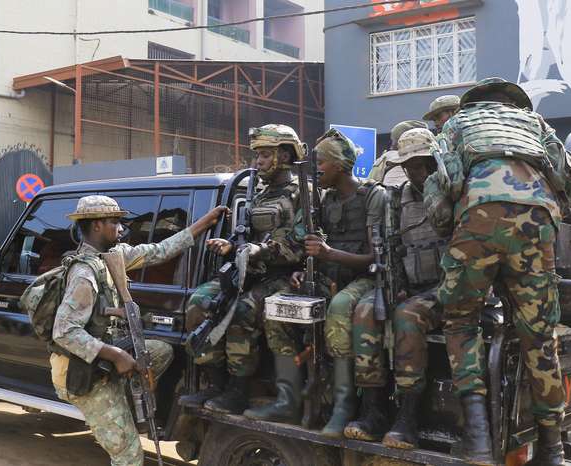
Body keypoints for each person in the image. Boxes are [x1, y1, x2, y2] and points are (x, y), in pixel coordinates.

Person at [433, 77, 571, 465]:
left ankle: (479, 442)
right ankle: (552, 450)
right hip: (537, 222)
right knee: (539, 335)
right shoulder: (535, 123)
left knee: (461, 322)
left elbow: (444, 184)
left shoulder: (457, 124)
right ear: (512, 102)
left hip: (478, 219)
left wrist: (450, 229)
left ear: (473, 103)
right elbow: (570, 178)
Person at [51, 195, 225, 466]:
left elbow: (159, 251)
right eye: (115, 222)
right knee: (129, 455)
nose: (121, 229)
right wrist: (117, 356)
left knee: (160, 351)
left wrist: (201, 225)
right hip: (82, 373)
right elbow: (64, 332)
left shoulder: (114, 256)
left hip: (103, 360)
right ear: (96, 226)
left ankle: (121, 404)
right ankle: (115, 414)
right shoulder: (84, 274)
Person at [245, 128, 385, 436]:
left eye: (320, 162)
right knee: (278, 308)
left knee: (337, 311)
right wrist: (304, 269)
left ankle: (344, 405)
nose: (314, 169)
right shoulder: (325, 199)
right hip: (329, 276)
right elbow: (315, 246)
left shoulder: (374, 196)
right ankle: (287, 399)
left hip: (364, 280)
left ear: (340, 165)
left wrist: (328, 253)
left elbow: (376, 259)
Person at [179, 124, 307, 415]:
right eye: (257, 155)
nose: (258, 161)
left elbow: (300, 246)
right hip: (249, 270)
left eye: (265, 155)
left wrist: (258, 251)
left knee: (244, 309)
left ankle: (238, 390)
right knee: (200, 302)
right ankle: (215, 384)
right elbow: (247, 238)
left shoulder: (303, 195)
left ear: (285, 155)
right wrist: (229, 245)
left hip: (284, 276)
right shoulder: (258, 194)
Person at [347, 128, 449, 448]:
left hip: (447, 289)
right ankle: (373, 408)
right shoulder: (396, 198)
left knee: (407, 316)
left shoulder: (453, 195)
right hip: (412, 286)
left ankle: (408, 417)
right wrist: (396, 286)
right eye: (412, 166)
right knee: (365, 310)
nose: (420, 172)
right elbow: (391, 247)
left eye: (425, 164)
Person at [368, 120, 427, 186]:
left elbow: (369, 183)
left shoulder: (387, 156)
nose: (391, 145)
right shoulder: (432, 157)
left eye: (393, 140)